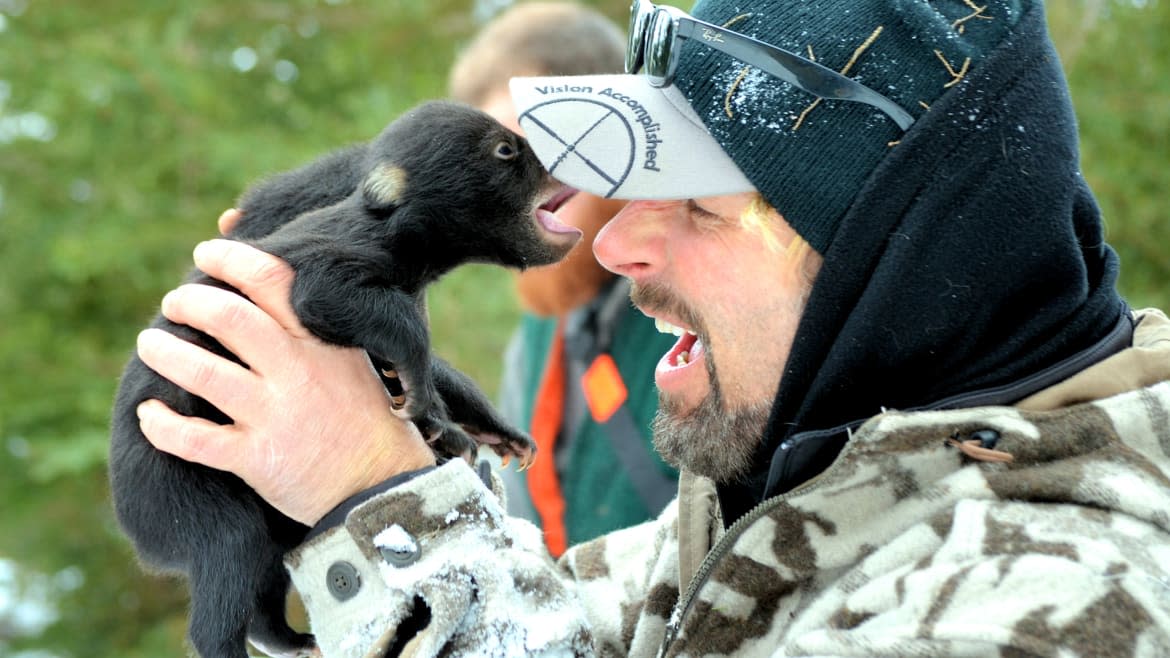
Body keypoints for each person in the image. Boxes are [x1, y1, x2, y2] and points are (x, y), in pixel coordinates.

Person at [134, 0, 1170, 655]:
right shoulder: (787, 495)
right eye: (635, 187)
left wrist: (374, 498)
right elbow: (542, 609)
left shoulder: (1062, 601)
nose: (616, 244)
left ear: (902, 264)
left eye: (703, 206)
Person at [446, 1, 679, 556]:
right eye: (495, 166)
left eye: (533, 147)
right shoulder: (537, 337)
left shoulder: (698, 300)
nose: (512, 195)